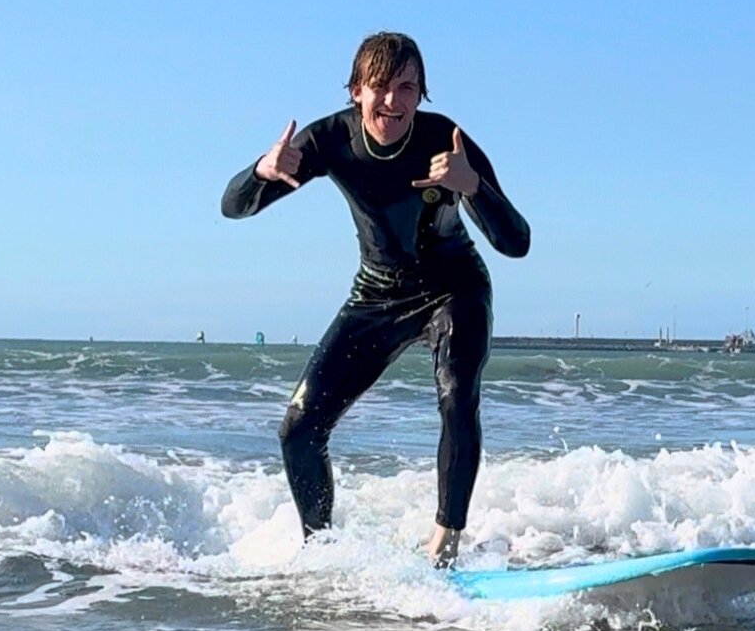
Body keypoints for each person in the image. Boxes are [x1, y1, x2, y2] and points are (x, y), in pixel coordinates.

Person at [221, 32, 530, 566]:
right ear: (357, 90)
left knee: (457, 397)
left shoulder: (446, 139)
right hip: (377, 295)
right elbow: (233, 206)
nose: (393, 100)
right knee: (298, 430)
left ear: (421, 93)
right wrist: (261, 173)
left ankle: (446, 544)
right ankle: (322, 551)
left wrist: (472, 185)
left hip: (454, 287)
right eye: (381, 86)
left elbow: (515, 242)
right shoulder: (328, 140)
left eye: (407, 87)